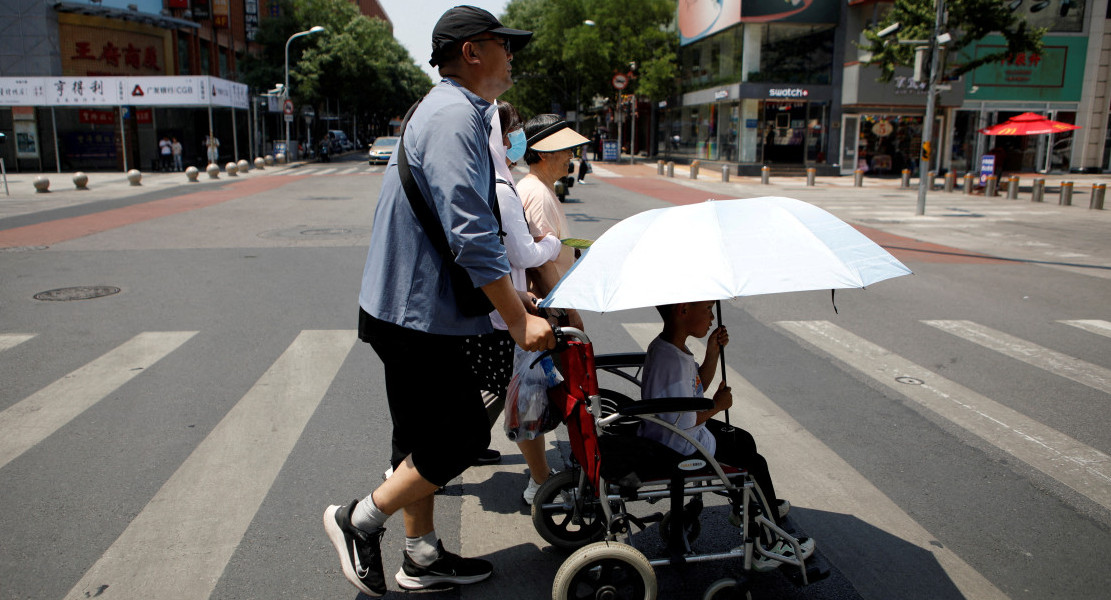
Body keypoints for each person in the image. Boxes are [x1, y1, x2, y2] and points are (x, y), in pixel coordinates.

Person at [323, 7, 549, 598]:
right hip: (416, 315)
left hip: (409, 307)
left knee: (418, 440)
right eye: (504, 45)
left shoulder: (452, 109)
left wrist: (509, 296)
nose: (512, 56)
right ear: (472, 52)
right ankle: (359, 521)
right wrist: (520, 317)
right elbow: (470, 231)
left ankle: (421, 557)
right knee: (459, 441)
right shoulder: (453, 114)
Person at [641, 301, 814, 571]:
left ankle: (752, 507)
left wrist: (712, 352)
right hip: (680, 446)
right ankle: (770, 543)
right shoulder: (672, 360)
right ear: (683, 310)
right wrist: (716, 406)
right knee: (754, 465)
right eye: (707, 309)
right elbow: (685, 419)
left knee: (742, 439)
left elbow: (694, 389)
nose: (711, 316)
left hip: (674, 437)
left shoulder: (670, 348)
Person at [466, 100, 563, 504]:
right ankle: (540, 481)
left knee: (494, 396)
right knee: (525, 398)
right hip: (504, 314)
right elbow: (522, 254)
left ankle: (425, 459)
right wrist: (553, 244)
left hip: (497, 308)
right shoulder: (505, 190)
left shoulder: (488, 180)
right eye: (511, 131)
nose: (515, 137)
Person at [518, 114, 590, 331]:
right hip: (548, 314)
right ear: (542, 153)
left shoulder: (539, 187)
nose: (571, 154)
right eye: (565, 148)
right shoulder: (538, 193)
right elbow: (541, 263)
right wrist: (568, 312)